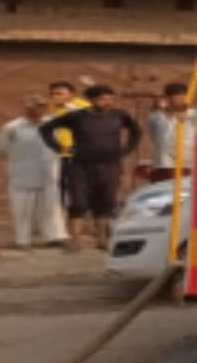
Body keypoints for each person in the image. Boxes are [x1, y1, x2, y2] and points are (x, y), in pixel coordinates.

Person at [40, 84, 142, 247]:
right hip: (80, 165)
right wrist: (58, 147)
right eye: (103, 99)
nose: (108, 102)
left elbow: (136, 131)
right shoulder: (76, 117)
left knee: (106, 200)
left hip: (109, 165)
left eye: (111, 99)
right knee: (79, 201)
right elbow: (46, 128)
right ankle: (75, 239)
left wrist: (126, 149)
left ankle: (101, 239)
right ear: (92, 100)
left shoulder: (119, 115)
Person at [0, 95, 70, 250]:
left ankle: (55, 237)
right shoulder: (12, 127)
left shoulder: (52, 125)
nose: (39, 109)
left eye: (42, 106)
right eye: (34, 106)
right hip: (22, 175)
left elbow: (61, 145)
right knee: (22, 210)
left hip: (48, 174)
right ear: (26, 108)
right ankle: (23, 240)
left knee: (51, 208)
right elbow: (1, 150)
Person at [46, 80, 88, 234]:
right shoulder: (49, 108)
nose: (55, 97)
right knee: (58, 192)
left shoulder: (82, 106)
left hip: (78, 156)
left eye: (59, 94)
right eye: (52, 94)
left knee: (78, 192)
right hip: (56, 156)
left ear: (71, 95)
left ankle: (80, 227)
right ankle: (59, 228)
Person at [146, 82, 197, 184]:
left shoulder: (194, 115)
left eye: (184, 96)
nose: (182, 100)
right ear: (168, 98)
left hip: (186, 165)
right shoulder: (155, 117)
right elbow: (154, 136)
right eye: (177, 96)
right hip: (162, 164)